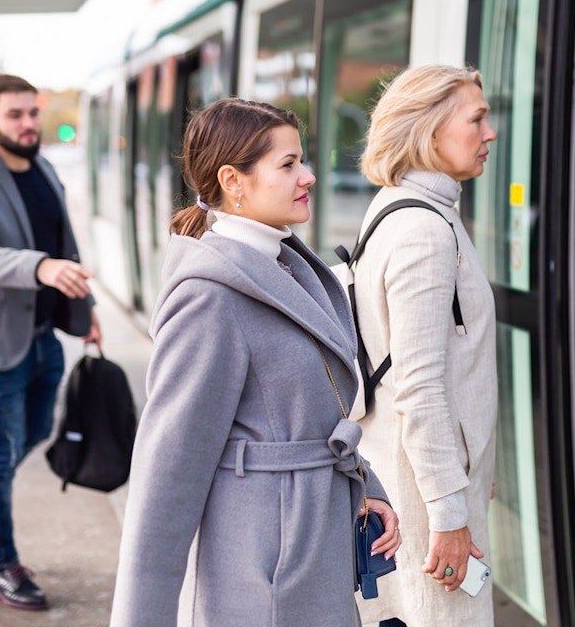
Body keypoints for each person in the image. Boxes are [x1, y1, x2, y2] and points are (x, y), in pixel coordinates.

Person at [109, 98, 401, 626]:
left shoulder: (286, 265)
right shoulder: (209, 297)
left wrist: (364, 485)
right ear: (232, 180)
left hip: (309, 547)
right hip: (262, 573)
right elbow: (166, 475)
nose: (308, 176)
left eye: (301, 159)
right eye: (287, 164)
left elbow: (316, 414)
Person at [0, 73, 102, 610]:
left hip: (43, 335)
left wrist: (85, 311)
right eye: (15, 114)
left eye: (33, 112)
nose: (29, 123)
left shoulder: (44, 168)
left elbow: (64, 245)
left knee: (34, 432)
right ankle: (5, 565)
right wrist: (41, 268)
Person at [351, 64, 499, 627]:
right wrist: (448, 512)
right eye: (477, 119)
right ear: (429, 129)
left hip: (420, 474)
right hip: (425, 492)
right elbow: (419, 384)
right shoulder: (425, 231)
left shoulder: (403, 208)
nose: (489, 133)